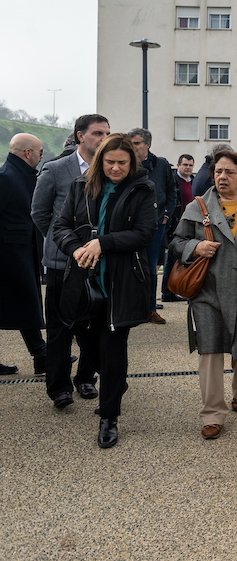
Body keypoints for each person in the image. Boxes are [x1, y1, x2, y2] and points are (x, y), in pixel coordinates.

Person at [52, 133, 157, 448]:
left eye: (122, 163)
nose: (116, 168)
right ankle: (115, 384)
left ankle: (109, 417)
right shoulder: (80, 185)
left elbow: (144, 233)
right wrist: (75, 249)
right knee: (88, 345)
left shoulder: (143, 187)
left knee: (112, 351)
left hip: (121, 283)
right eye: (110, 162)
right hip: (83, 282)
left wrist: (103, 243)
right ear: (100, 161)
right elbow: (60, 227)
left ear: (132, 161)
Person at [171, 150, 237, 440]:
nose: (222, 177)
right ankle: (212, 414)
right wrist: (195, 248)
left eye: (229, 172)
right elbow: (176, 243)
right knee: (210, 351)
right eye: (218, 172)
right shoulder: (197, 207)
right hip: (208, 291)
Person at [31, 114, 108, 407]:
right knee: (59, 327)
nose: (103, 138)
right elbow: (39, 214)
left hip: (98, 262)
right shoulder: (55, 169)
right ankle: (59, 387)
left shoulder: (110, 170)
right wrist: (61, 242)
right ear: (80, 136)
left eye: (107, 133)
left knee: (95, 324)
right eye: (98, 133)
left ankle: (86, 379)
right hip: (62, 262)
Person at [0, 134, 47, 376]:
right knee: (25, 300)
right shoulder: (6, 176)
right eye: (40, 152)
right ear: (28, 153)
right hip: (9, 254)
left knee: (24, 302)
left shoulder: (20, 175)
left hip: (20, 251)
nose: (41, 157)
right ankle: (41, 353)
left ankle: (41, 354)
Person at [128, 128, 176, 323]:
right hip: (130, 225)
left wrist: (166, 216)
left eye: (136, 143)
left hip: (156, 225)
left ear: (147, 144)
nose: (133, 147)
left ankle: (150, 309)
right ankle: (130, 310)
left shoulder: (161, 164)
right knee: (129, 266)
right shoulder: (125, 164)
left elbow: (172, 192)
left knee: (150, 268)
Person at [162, 154, 194, 303]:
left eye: (190, 165)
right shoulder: (174, 181)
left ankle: (175, 290)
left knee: (179, 259)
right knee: (171, 259)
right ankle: (167, 293)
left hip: (189, 225)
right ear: (178, 165)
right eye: (185, 165)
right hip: (175, 225)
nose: (187, 167)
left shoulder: (192, 181)